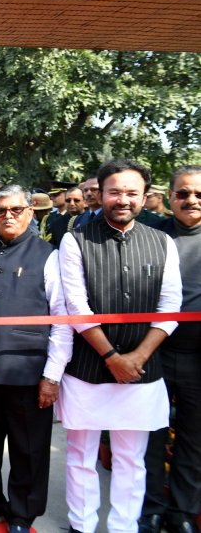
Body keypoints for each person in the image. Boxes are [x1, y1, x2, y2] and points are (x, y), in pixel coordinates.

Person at [57, 159, 181, 533]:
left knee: (132, 459)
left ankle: (124, 527)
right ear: (102, 194)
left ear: (145, 197)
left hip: (141, 373)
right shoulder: (75, 239)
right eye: (115, 192)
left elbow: (171, 306)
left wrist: (137, 357)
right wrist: (111, 357)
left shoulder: (162, 242)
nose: (122, 199)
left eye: (131, 192)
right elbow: (76, 307)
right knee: (80, 457)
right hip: (87, 371)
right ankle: (82, 526)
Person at [0, 185, 73, 533]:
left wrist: (52, 375)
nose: (8, 216)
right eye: (0, 211)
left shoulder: (48, 255)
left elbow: (61, 320)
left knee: (29, 449)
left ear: (30, 212)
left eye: (16, 210)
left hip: (29, 369)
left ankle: (22, 514)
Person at [140, 166, 201, 533]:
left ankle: (182, 513)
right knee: (150, 436)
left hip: (198, 358)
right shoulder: (152, 237)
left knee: (194, 439)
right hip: (152, 353)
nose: (191, 200)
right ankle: (152, 509)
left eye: (199, 194)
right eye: (183, 193)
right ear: (170, 196)